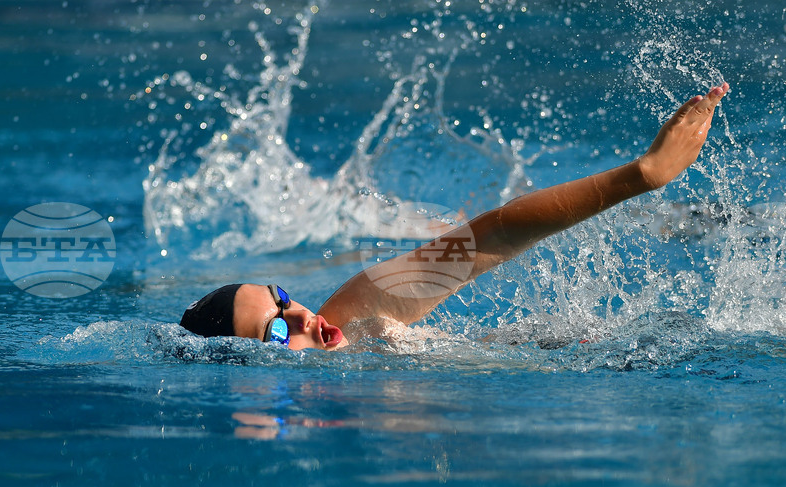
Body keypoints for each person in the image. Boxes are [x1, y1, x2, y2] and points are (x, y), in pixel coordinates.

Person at [179, 82, 731, 350]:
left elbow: (488, 235)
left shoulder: (355, 317)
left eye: (282, 299)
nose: (301, 316)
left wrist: (642, 176)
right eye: (276, 331)